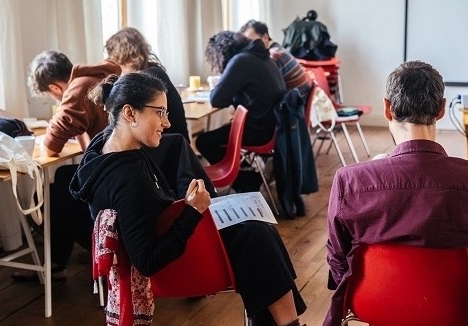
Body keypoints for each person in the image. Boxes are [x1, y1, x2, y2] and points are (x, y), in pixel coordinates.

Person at [69, 72, 306, 326]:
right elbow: (148, 262)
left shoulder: (103, 147)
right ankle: (286, 323)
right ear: (129, 113)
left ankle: (278, 321)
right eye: (159, 112)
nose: (167, 122)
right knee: (257, 236)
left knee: (258, 230)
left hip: (173, 238)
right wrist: (192, 211)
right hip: (174, 265)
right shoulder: (128, 180)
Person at [324, 61, 468, 326]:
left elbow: (338, 269)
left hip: (370, 304)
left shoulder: (348, 182)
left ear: (387, 109)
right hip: (455, 309)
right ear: (440, 109)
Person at [19, 50, 122, 281]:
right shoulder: (101, 75)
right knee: (65, 174)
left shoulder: (77, 89)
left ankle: (91, 249)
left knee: (51, 196)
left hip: (109, 179)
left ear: (55, 88)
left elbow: (51, 145)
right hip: (121, 170)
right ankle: (60, 259)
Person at [195, 31, 286, 165]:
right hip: (272, 127)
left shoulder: (241, 61)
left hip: (259, 132)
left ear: (220, 54)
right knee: (222, 131)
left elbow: (216, 99)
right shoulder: (262, 56)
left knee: (203, 141)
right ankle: (245, 172)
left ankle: (243, 180)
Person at [104, 26, 190, 141]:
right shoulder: (155, 72)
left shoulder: (145, 81)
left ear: (121, 55)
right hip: (175, 143)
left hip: (167, 147)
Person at [239, 20, 311, 97]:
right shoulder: (277, 49)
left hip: (295, 105)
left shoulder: (273, 55)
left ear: (265, 37)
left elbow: (262, 87)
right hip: (297, 100)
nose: (248, 47)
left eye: (250, 41)